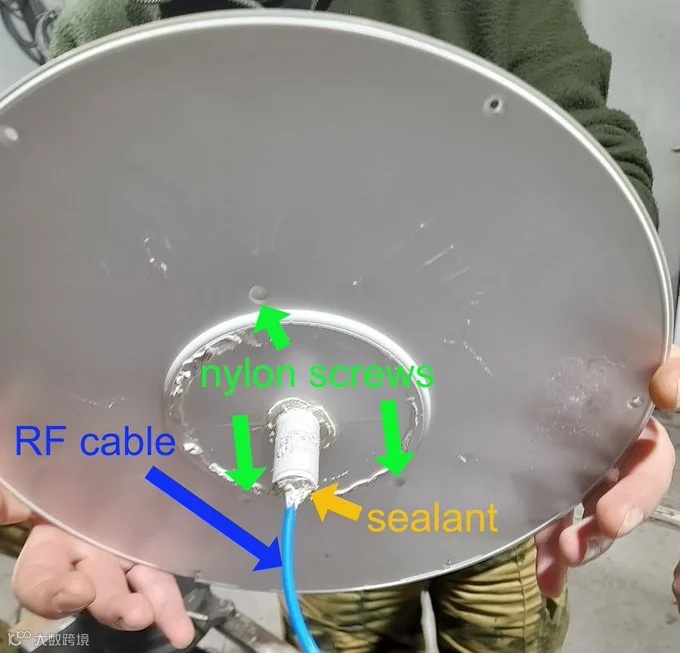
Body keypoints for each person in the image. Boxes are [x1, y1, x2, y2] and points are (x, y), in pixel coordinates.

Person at [1, 0, 676, 651]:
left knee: (503, 636)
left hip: (496, 477)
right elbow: (74, 246)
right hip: (322, 520)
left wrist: (602, 367)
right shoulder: (116, 23)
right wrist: (91, 474)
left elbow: (597, 163)